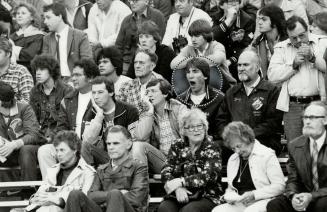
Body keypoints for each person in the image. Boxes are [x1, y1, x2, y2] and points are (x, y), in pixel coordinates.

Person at [216, 49, 283, 163]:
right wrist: (232, 137)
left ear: (257, 68)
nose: (241, 68)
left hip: (261, 142)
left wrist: (246, 137)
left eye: (246, 65)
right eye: (239, 65)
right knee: (214, 148)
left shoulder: (272, 90)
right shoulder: (231, 92)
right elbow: (221, 121)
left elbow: (272, 123)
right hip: (234, 143)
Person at [267, 16, 327, 142]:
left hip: (318, 103)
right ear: (288, 36)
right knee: (294, 148)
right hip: (293, 106)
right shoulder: (281, 47)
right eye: (294, 38)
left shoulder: (323, 42)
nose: (299, 40)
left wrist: (313, 58)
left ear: (308, 30)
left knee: (319, 147)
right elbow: (272, 76)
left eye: (302, 35)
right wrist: (293, 65)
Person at [38, 58, 99, 179]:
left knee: (82, 149)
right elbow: (61, 128)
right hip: (70, 144)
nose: (73, 78)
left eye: (78, 75)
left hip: (91, 147)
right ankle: (52, 189)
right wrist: (66, 144)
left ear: (91, 77)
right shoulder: (67, 99)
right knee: (45, 151)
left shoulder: (99, 97)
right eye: (73, 75)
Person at [64, 125, 149, 212]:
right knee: (75, 195)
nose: (111, 147)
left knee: (115, 194)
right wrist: (109, 195)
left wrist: (112, 197)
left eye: (116, 143)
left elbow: (136, 199)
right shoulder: (101, 169)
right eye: (109, 143)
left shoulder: (139, 167)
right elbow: (91, 196)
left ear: (129, 144)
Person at [158, 108, 223, 212]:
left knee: (189, 210)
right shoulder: (177, 145)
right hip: (179, 193)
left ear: (205, 128)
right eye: (191, 127)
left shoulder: (212, 147)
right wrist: (177, 188)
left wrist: (182, 182)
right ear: (184, 131)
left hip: (206, 195)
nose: (196, 130)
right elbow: (165, 170)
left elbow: (210, 175)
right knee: (165, 208)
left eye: (199, 126)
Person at [13, 131, 96, 212]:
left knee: (52, 209)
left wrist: (57, 200)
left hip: (65, 209)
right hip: (44, 208)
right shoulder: (53, 170)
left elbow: (83, 201)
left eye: (62, 150)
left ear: (74, 150)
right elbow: (39, 194)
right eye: (57, 150)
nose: (58, 154)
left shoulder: (87, 172)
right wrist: (34, 199)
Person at [267, 101, 327, 212]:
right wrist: (293, 195)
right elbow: (293, 179)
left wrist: (312, 196)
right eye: (305, 117)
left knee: (322, 204)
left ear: (325, 120)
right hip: (305, 195)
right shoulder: (295, 145)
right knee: (275, 205)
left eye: (313, 117)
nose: (307, 121)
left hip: (323, 197)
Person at [212, 121, 285, 212]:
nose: (237, 151)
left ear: (247, 139)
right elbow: (231, 187)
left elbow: (280, 186)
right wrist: (228, 195)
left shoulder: (266, 154)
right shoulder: (233, 159)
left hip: (264, 200)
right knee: (217, 211)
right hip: (241, 202)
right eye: (233, 148)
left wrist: (254, 195)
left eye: (238, 146)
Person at [80, 76, 148, 166]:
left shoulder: (128, 110)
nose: (96, 97)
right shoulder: (92, 112)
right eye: (93, 93)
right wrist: (99, 116)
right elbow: (87, 141)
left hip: (126, 158)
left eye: (100, 92)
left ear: (111, 92)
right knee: (83, 145)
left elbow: (134, 141)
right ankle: (94, 176)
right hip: (106, 158)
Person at [0, 81, 43, 182]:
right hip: (2, 152)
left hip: (21, 151)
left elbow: (34, 134)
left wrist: (14, 145)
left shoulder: (24, 108)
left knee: (26, 150)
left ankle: (27, 191)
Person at [177, 57, 224, 141]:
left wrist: (211, 138)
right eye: (188, 72)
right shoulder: (179, 100)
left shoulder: (219, 98)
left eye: (195, 71)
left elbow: (222, 130)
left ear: (205, 76)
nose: (191, 76)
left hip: (212, 144)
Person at [42, 3, 93, 79]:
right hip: (55, 82)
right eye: (44, 18)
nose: (45, 22)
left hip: (74, 80)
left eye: (48, 18)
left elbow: (87, 64)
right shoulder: (47, 38)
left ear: (59, 17)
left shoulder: (80, 36)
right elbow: (44, 64)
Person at [29, 54, 73, 141]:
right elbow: (32, 118)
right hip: (40, 135)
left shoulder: (66, 90)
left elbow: (66, 121)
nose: (38, 73)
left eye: (42, 69)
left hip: (61, 137)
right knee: (25, 149)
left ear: (51, 70)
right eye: (36, 69)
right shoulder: (34, 91)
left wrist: (53, 137)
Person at [116, 0, 166, 74]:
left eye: (135, 1)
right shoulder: (126, 20)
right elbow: (118, 46)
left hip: (150, 59)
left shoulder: (157, 16)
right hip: (127, 62)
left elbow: (160, 41)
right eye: (130, 1)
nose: (132, 3)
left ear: (146, 1)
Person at [211, 0, 256, 80]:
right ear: (222, 5)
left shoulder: (247, 20)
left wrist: (230, 61)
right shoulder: (215, 17)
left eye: (236, 2)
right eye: (230, 2)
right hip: (219, 59)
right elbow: (212, 37)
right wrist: (227, 21)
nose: (234, 5)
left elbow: (245, 46)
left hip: (237, 61)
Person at [116, 49, 164, 113]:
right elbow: (119, 112)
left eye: (141, 63)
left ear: (152, 66)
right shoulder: (126, 86)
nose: (137, 66)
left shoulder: (161, 86)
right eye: (135, 62)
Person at [251, 4, 288, 79]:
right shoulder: (257, 43)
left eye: (264, 19)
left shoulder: (287, 42)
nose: (259, 22)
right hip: (267, 85)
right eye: (259, 19)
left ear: (275, 22)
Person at [10, 2, 44, 75]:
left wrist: (12, 48)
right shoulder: (12, 36)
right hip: (11, 73)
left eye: (23, 13)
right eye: (17, 13)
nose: (19, 15)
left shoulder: (38, 36)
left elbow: (30, 55)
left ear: (32, 17)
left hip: (29, 73)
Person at [0, 37, 34, 102]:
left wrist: (7, 105)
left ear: (8, 54)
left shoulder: (21, 71)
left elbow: (29, 101)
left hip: (13, 111)